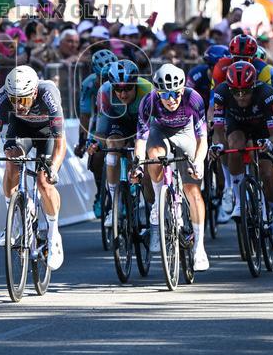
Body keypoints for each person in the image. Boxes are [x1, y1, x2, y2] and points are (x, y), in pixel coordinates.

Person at [0, 65, 67, 270]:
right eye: (14, 100)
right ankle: (15, 219)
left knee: (44, 181)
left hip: (47, 133)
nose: (19, 105)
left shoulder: (48, 94)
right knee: (11, 162)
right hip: (20, 128)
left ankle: (54, 234)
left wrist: (53, 168)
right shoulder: (2, 96)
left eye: (24, 100)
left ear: (34, 92)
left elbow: (60, 142)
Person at [130, 63, 209, 271]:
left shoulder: (194, 98)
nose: (171, 99)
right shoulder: (149, 101)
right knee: (153, 156)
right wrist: (138, 164)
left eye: (175, 94)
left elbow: (203, 138)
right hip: (160, 131)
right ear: (158, 92)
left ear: (182, 89)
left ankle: (199, 247)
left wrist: (198, 162)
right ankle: (158, 203)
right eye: (165, 94)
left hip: (186, 133)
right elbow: (141, 138)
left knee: (193, 189)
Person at [209, 61, 273, 249]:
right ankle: (238, 199)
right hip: (237, 125)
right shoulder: (221, 92)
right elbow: (219, 129)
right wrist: (218, 145)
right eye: (236, 92)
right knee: (233, 146)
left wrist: (269, 143)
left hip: (263, 129)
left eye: (245, 91)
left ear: (253, 86)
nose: (241, 96)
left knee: (267, 175)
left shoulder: (266, 93)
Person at [93, 60, 153, 231]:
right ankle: (115, 205)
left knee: (148, 162)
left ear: (135, 84)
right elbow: (101, 128)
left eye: (127, 88)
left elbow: (154, 128)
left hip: (142, 124)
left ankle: (153, 211)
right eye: (117, 89)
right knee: (112, 146)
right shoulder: (104, 91)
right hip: (117, 122)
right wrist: (95, 143)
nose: (122, 94)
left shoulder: (147, 90)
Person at [76, 48, 119, 216]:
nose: (107, 83)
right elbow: (85, 116)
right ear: (95, 75)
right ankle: (101, 192)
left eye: (109, 78)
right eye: (102, 78)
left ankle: (128, 190)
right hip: (101, 121)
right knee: (96, 155)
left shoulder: (122, 79)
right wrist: (82, 142)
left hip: (122, 119)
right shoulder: (89, 84)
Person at [187, 44, 228, 110]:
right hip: (199, 109)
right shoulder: (195, 75)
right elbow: (186, 97)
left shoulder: (230, 78)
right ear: (211, 66)